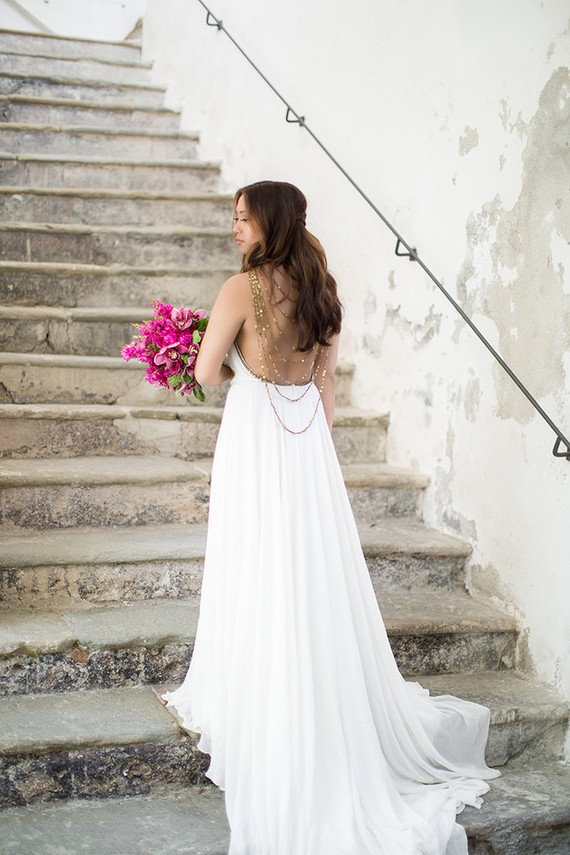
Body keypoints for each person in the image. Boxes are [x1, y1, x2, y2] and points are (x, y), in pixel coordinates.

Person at [162, 180, 499, 855]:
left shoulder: (241, 288)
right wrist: (313, 443)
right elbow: (325, 386)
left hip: (257, 437)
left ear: (269, 223)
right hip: (307, 441)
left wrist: (221, 362)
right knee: (307, 567)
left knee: (254, 558)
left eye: (242, 219)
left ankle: (259, 689)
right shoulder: (322, 288)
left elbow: (203, 373)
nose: (235, 229)